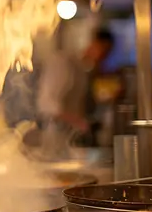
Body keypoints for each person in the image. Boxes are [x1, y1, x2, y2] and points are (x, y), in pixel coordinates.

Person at [35, 27, 115, 156]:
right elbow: (46, 103)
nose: (103, 58)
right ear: (93, 43)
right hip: (55, 135)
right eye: (103, 52)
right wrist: (77, 121)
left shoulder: (83, 69)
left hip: (73, 138)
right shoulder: (62, 62)